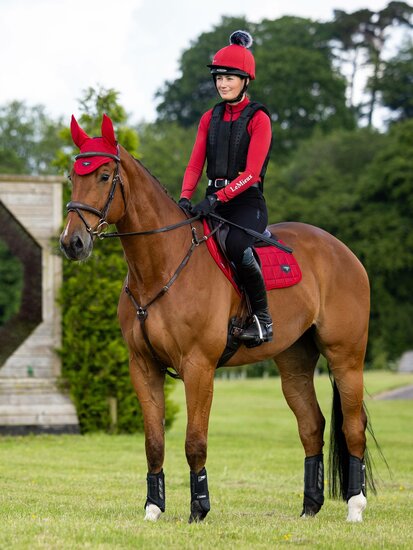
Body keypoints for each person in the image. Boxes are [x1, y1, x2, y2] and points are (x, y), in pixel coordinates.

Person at [178, 30, 273, 346]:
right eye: (219, 76)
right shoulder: (209, 117)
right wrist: (185, 197)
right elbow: (194, 164)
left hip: (247, 203)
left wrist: (218, 197)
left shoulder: (259, 119)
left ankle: (262, 320)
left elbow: (252, 172)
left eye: (231, 77)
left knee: (235, 246)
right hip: (212, 201)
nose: (223, 83)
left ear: (246, 80)